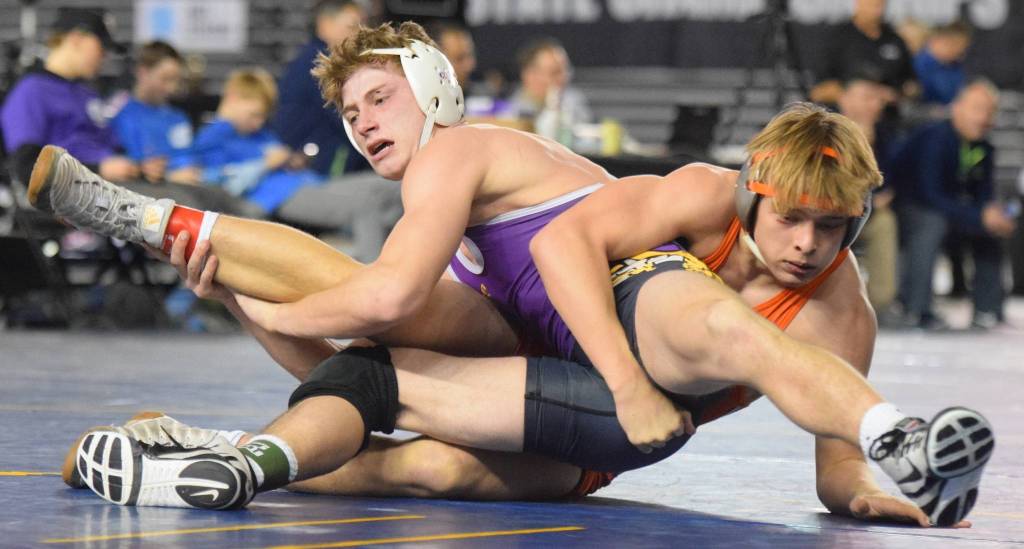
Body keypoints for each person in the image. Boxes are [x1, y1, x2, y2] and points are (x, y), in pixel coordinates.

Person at [33, 22, 990, 527]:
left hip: (614, 385)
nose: (809, 245)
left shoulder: (463, 154)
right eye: (793, 217)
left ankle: (898, 431)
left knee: (712, 323)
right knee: (411, 435)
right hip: (569, 362)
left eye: (839, 228)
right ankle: (219, 448)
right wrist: (244, 299)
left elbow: (832, 475)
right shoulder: (691, 193)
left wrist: (868, 485)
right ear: (754, 188)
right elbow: (374, 329)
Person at [1, 8, 243, 214]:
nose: (104, 56)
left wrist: (141, 167)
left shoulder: (86, 92)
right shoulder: (31, 90)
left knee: (216, 199)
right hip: (79, 193)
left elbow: (112, 148)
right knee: (184, 208)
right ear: (76, 39)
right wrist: (97, 170)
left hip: (117, 184)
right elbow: (27, 168)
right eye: (101, 47)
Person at [194, 67, 401, 261]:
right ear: (233, 99)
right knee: (365, 206)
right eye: (254, 115)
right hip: (277, 195)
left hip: (306, 181)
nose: (258, 122)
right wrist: (266, 163)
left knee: (394, 185)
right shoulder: (212, 137)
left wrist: (291, 160)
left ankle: (400, 257)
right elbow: (221, 183)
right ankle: (375, 275)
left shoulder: (260, 134)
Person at [891, 79, 1015, 329]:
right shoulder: (933, 137)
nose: (984, 118)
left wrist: (991, 216)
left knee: (990, 229)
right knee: (931, 224)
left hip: (948, 211)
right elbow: (929, 194)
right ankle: (917, 309)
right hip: (909, 208)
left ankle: (987, 310)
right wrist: (978, 215)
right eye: (978, 109)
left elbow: (984, 196)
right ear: (957, 108)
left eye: (990, 111)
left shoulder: (983, 148)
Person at [271, 0, 367, 176]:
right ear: (325, 24)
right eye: (352, 26)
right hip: (317, 172)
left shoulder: (310, 59)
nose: (359, 34)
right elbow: (345, 119)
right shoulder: (321, 66)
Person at [836, 76, 900, 318]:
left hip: (868, 211)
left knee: (885, 222)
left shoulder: (885, 135)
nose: (874, 105)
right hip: (829, 209)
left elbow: (891, 178)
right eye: (866, 97)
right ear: (845, 99)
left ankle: (880, 302)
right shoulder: (824, 129)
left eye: (876, 99)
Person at [109, 41, 204, 186]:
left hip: (183, 190)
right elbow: (118, 164)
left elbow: (187, 157)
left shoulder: (177, 117)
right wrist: (168, 176)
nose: (171, 88)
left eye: (175, 80)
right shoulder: (117, 113)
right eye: (165, 79)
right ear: (142, 72)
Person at [809, 0, 916, 107]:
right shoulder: (837, 38)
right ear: (858, 3)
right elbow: (818, 91)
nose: (876, 10)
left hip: (889, 115)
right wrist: (861, 94)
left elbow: (912, 85)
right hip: (845, 115)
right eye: (871, 4)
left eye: (880, 4)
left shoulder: (895, 40)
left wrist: (896, 94)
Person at [508, 37, 592, 130]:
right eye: (554, 72)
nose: (563, 78)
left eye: (566, 71)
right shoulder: (508, 113)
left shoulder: (573, 100)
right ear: (530, 76)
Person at [914, 21, 972, 106]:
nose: (961, 54)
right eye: (960, 48)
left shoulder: (956, 67)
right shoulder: (917, 65)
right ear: (946, 42)